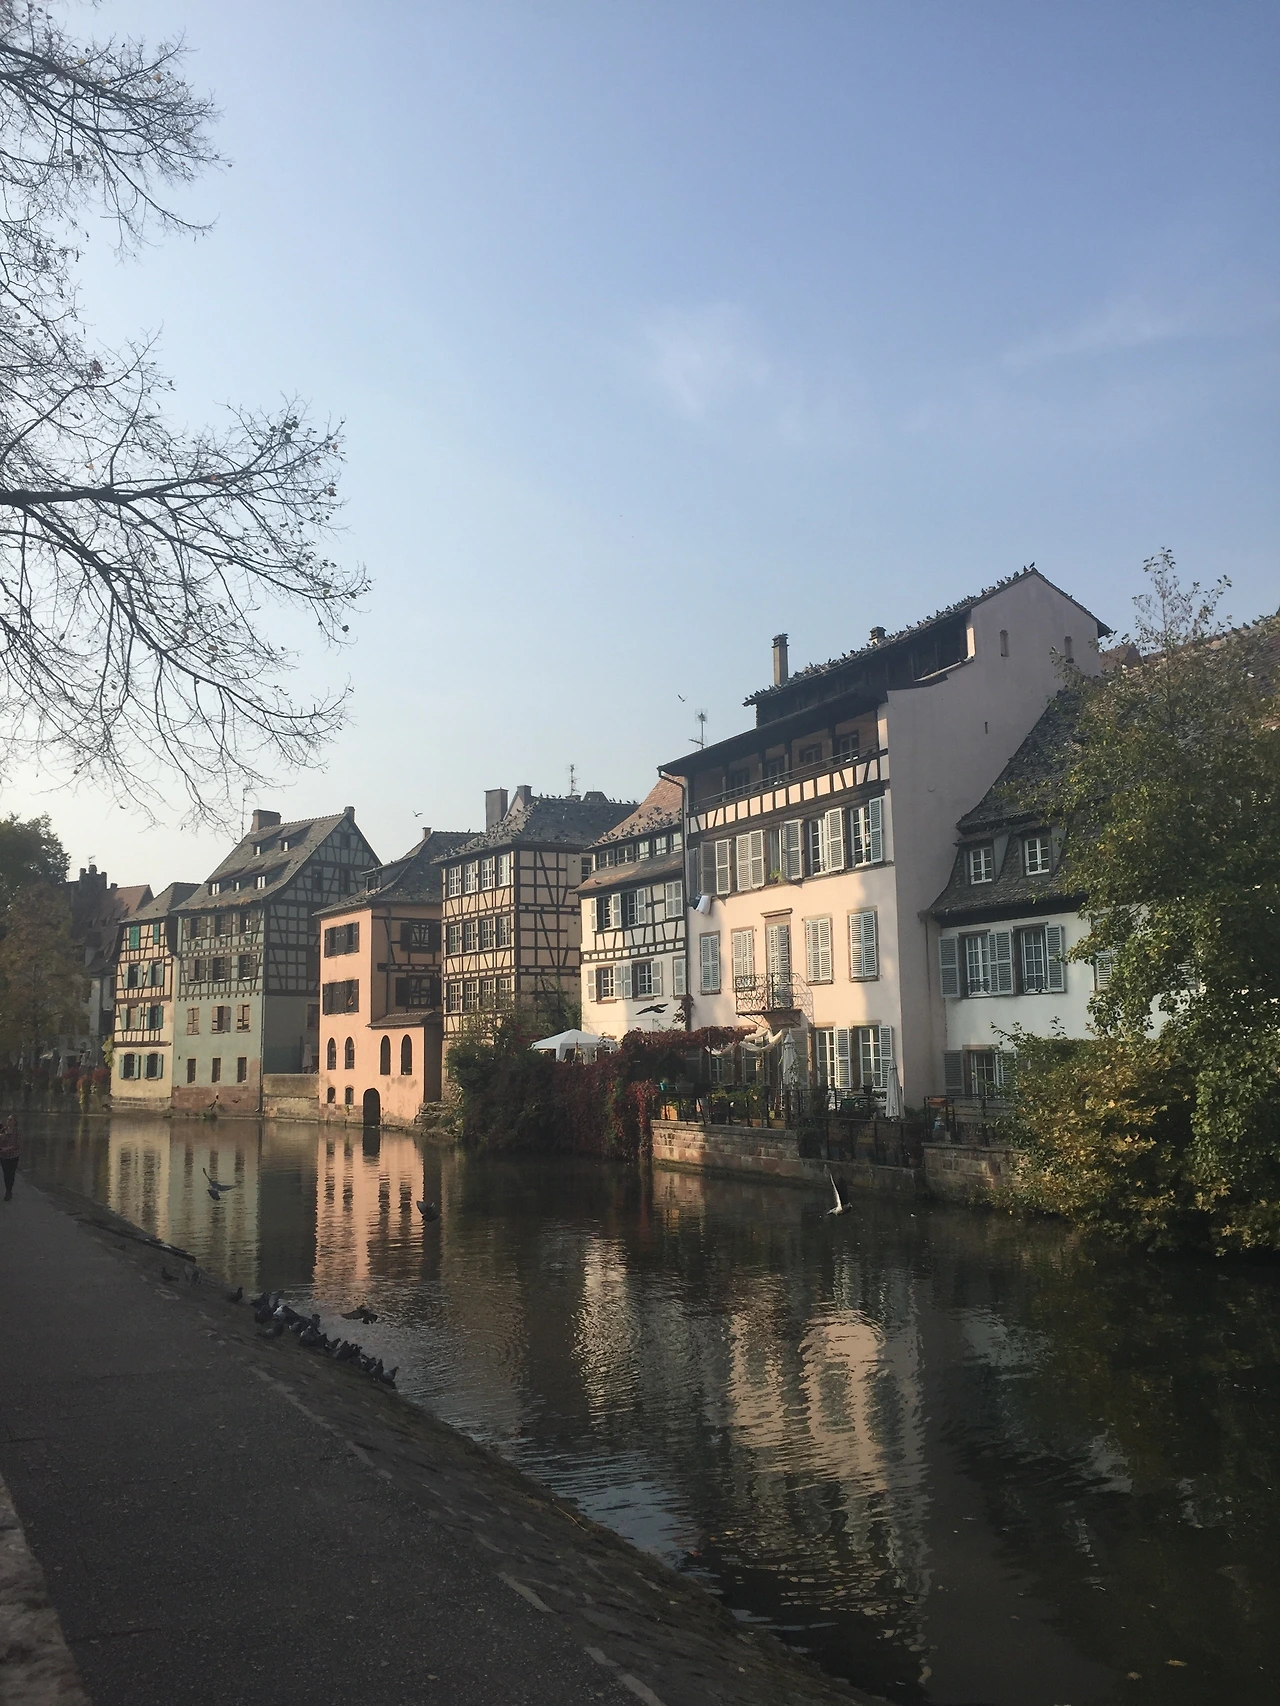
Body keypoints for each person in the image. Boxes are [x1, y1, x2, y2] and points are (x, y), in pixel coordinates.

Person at [0, 1115, 19, 1200]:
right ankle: (8, 1190)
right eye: (8, 1119)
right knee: (6, 1174)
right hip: (3, 1156)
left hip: (13, 1156)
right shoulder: (3, 1130)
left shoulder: (17, 1132)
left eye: (10, 1120)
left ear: (15, 1122)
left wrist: (6, 1149)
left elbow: (16, 1145)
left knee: (11, 1174)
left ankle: (9, 1191)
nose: (8, 1121)